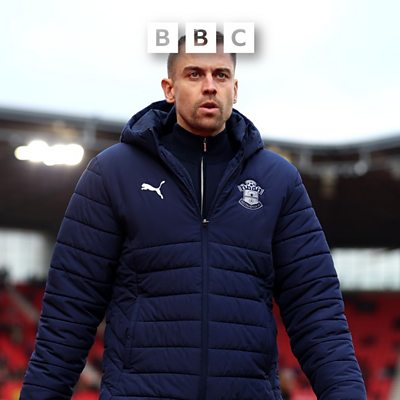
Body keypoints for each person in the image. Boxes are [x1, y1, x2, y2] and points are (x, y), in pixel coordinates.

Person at [20, 32, 366, 399]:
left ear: (235, 88)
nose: (210, 86)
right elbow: (68, 314)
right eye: (194, 74)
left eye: (221, 75)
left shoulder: (277, 181)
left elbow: (317, 313)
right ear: (169, 89)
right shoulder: (113, 174)